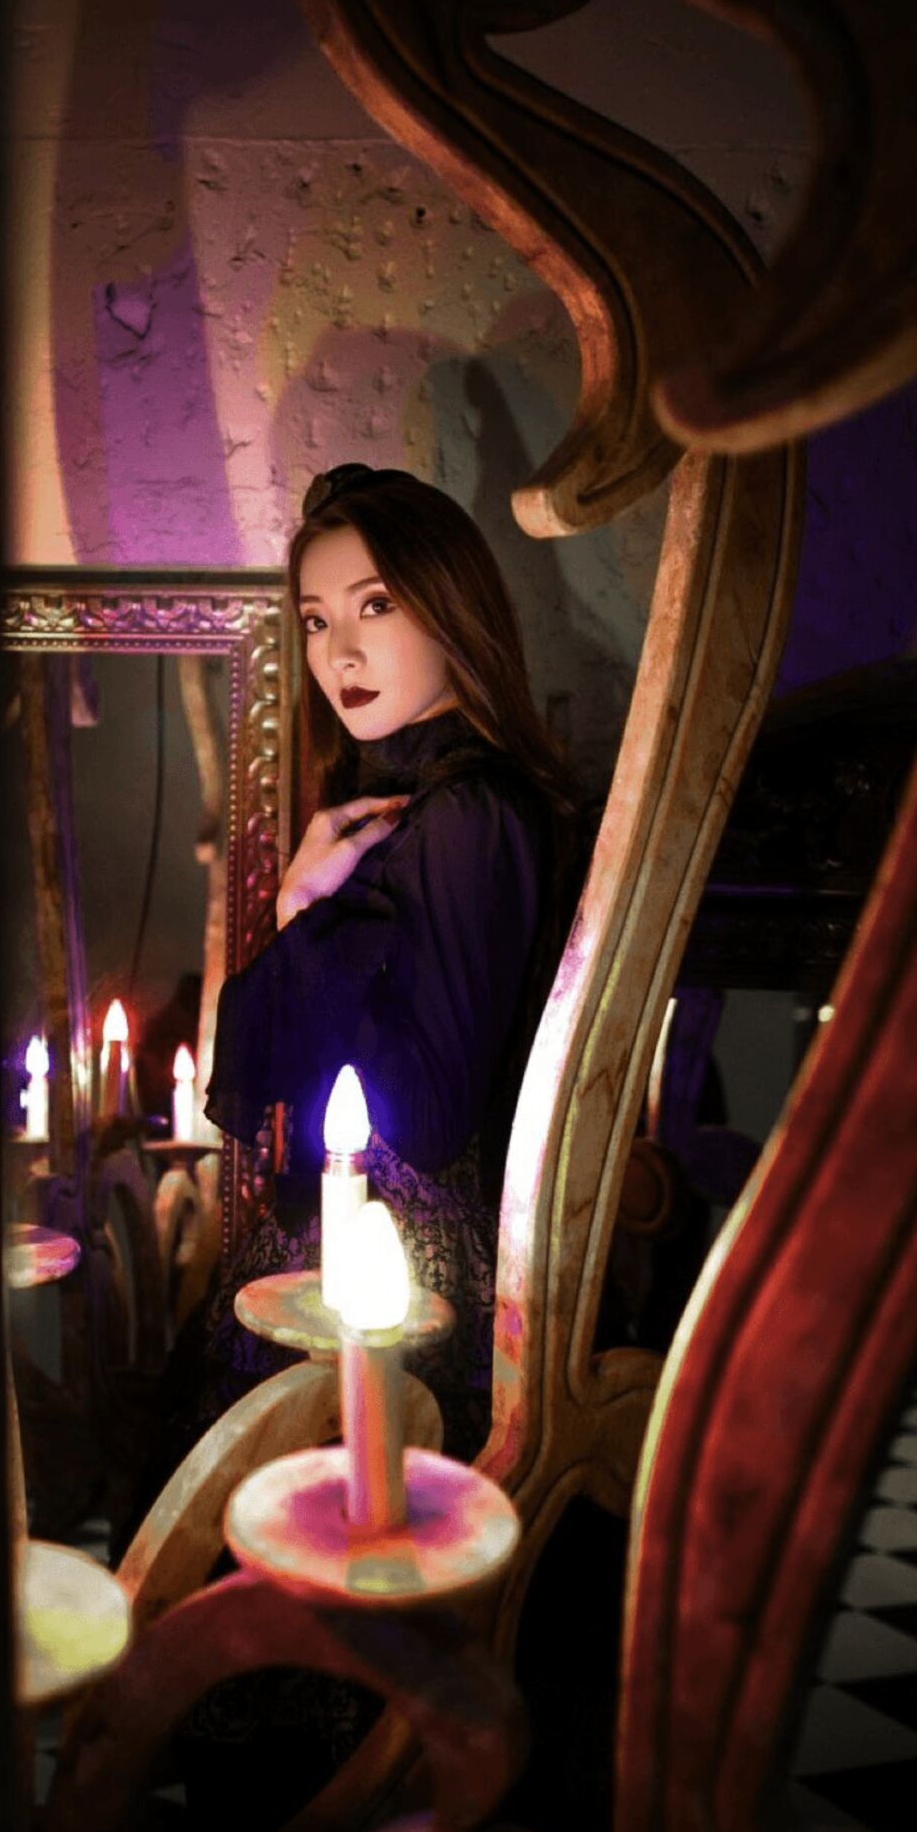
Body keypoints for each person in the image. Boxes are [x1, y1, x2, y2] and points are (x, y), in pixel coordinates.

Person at [177, 460, 584, 1472]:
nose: (340, 652)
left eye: (377, 605)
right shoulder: (401, 805)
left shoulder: (470, 810)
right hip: (362, 1261)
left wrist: (311, 919)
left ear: (452, 609)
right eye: (315, 620)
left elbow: (431, 1116)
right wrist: (300, 907)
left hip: (416, 1287)